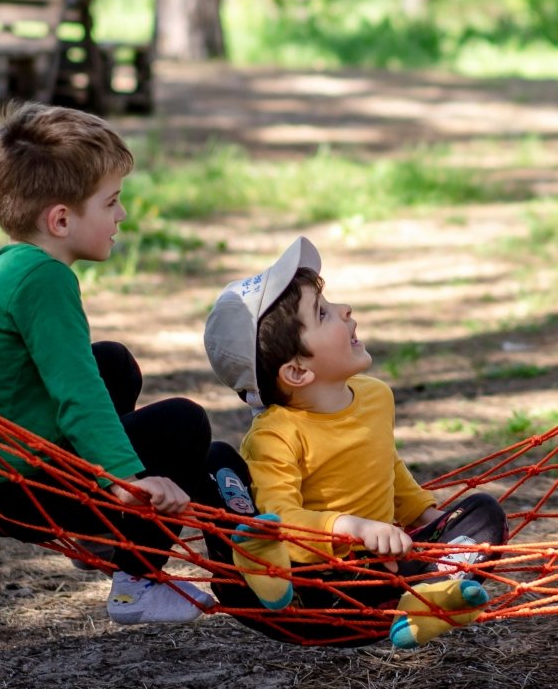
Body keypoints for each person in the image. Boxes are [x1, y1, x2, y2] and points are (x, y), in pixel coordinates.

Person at [0, 103, 218, 626]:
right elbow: (77, 391)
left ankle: (98, 531)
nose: (121, 215)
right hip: (14, 487)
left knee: (114, 361)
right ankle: (139, 579)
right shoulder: (47, 280)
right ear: (61, 219)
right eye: (111, 202)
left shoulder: (10, 266)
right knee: (184, 422)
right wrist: (127, 482)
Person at [202, 237, 509, 648]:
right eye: (323, 314)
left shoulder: (374, 396)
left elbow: (386, 464)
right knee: (215, 462)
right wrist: (353, 528)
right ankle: (257, 570)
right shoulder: (276, 434)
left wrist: (425, 515)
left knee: (482, 513)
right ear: (297, 372)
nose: (345, 311)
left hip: (387, 574)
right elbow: (283, 521)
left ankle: (427, 599)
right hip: (317, 594)